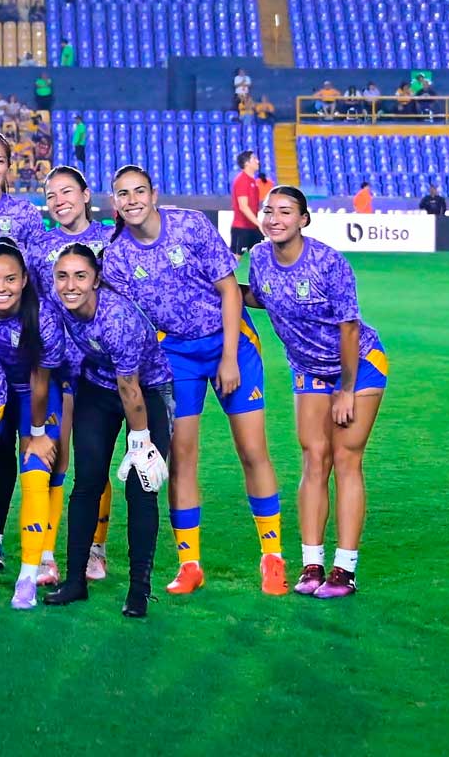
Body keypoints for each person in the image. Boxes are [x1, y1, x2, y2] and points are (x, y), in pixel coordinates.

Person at [103, 166, 285, 598]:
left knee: (252, 450)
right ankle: (190, 564)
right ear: (115, 202)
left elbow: (229, 291)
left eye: (139, 191)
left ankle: (272, 557)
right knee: (181, 458)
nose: (132, 200)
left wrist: (227, 359)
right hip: (175, 354)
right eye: (123, 194)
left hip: (231, 343)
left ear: (154, 194)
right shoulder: (117, 257)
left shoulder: (189, 224)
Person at [246, 187, 387, 599]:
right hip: (308, 369)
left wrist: (345, 389)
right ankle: (312, 564)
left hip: (357, 366)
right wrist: (227, 292)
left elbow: (349, 327)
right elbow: (263, 295)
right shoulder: (257, 258)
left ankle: (345, 569)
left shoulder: (329, 263)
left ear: (303, 219)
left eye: (285, 211)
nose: (275, 218)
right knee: (313, 459)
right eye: (269, 210)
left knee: (345, 460)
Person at [42, 243, 173, 617]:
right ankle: (75, 582)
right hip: (97, 388)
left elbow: (131, 389)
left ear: (96, 279)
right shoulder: (56, 302)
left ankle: (139, 590)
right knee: (87, 483)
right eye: (62, 276)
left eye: (80, 276)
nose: (70, 285)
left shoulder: (117, 318)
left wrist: (141, 442)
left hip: (146, 391)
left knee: (142, 486)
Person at [0, 241, 73, 609]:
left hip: (36, 392)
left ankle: (28, 577)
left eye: (9, 279)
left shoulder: (44, 318)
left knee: (36, 472)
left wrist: (34, 434)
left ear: (23, 281)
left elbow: (40, 379)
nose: (0, 288)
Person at [23, 165, 115, 580]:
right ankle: (45, 555)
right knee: (54, 456)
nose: (60, 201)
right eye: (51, 195)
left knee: (94, 460)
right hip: (59, 364)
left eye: (67, 192)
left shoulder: (111, 239)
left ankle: (96, 549)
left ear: (85, 194)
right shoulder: (40, 246)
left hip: (102, 366)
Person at [230, 150, 265, 255]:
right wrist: (259, 224)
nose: (257, 161)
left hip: (252, 227)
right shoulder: (242, 180)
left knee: (261, 256)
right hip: (242, 228)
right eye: (254, 158)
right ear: (247, 163)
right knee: (235, 260)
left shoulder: (253, 181)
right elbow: (243, 206)